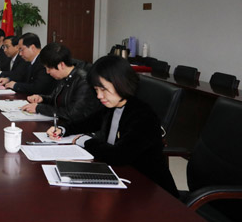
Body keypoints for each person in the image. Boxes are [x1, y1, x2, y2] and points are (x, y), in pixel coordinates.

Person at [47, 55, 178, 197]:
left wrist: (85, 141)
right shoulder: (113, 106)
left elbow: (119, 155)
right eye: (96, 90)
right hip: (122, 178)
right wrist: (63, 129)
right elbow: (88, 122)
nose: (99, 96)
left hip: (152, 191)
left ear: (121, 83)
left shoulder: (143, 116)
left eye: (103, 90)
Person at [21, 43, 101, 126]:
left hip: (77, 128)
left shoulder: (83, 81)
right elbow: (55, 99)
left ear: (61, 65)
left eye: (49, 68)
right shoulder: (63, 77)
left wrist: (39, 108)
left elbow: (72, 113)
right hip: (62, 124)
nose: (47, 72)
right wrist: (42, 98)